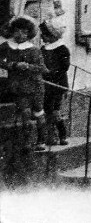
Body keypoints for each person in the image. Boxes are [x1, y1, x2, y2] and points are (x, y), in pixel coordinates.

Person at [0, 16, 48, 152]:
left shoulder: (34, 50)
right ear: (12, 31)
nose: (20, 35)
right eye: (17, 31)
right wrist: (13, 65)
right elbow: (1, 61)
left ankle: (41, 140)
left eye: (24, 32)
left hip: (35, 86)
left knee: (38, 112)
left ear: (29, 34)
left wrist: (27, 67)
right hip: (18, 86)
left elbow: (42, 68)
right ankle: (27, 142)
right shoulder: (6, 46)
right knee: (25, 113)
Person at [40, 19, 70, 145]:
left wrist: (49, 72)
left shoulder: (62, 49)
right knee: (47, 110)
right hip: (46, 85)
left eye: (45, 34)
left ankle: (62, 135)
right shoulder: (43, 48)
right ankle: (51, 136)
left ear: (53, 36)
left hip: (57, 84)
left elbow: (64, 67)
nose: (42, 36)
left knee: (55, 111)